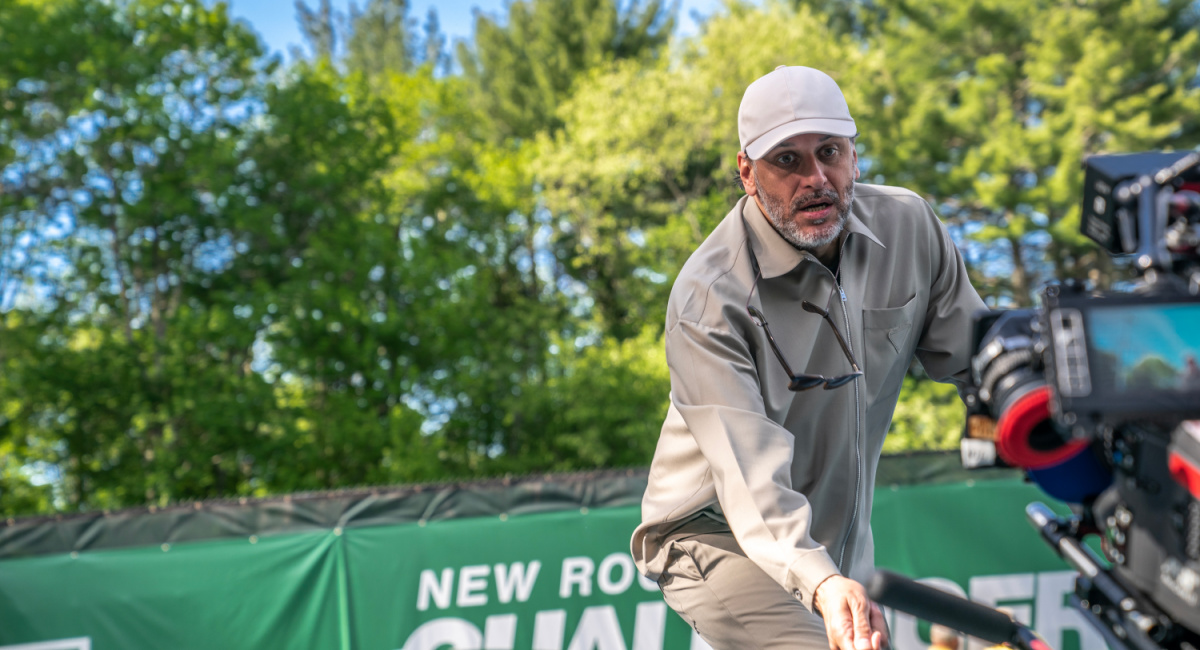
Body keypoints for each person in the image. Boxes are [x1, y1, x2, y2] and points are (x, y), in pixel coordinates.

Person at [630, 65, 987, 650]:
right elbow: (750, 483)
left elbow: (982, 362)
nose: (816, 178)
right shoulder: (708, 299)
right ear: (746, 172)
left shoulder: (911, 227)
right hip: (712, 537)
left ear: (854, 155)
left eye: (829, 152)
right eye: (787, 161)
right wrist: (822, 582)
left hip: (834, 547)